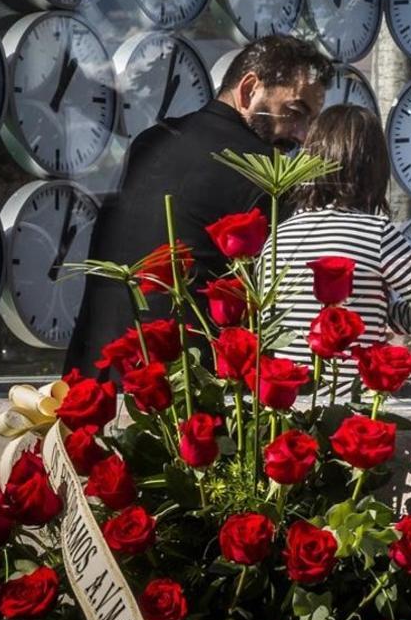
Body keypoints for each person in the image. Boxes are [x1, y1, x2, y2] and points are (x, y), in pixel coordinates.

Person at [64, 35, 332, 377]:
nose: (301, 135)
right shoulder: (266, 172)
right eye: (295, 113)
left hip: (96, 370)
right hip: (182, 391)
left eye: (310, 122)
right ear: (249, 90)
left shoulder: (153, 140)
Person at [264, 105, 411, 400]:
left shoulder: (278, 238)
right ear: (374, 168)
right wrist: (391, 317)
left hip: (292, 404)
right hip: (359, 400)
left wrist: (379, 313)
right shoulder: (375, 233)